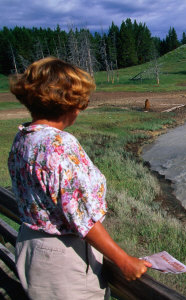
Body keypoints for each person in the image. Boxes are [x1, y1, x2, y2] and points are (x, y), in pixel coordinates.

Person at [8, 57, 151, 299]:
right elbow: (81, 218)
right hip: (63, 258)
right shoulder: (59, 145)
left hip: (32, 247)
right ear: (68, 103)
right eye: (80, 101)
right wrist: (123, 260)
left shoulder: (24, 137)